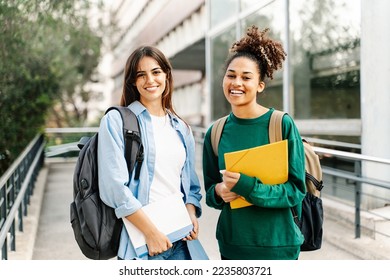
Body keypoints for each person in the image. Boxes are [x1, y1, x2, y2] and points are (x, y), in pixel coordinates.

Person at [202, 26, 306, 260]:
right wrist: (218, 191)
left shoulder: (281, 124)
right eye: (231, 75)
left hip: (278, 246)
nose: (236, 82)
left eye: (246, 77)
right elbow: (210, 191)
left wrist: (248, 187)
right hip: (232, 247)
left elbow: (296, 191)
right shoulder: (215, 132)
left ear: (260, 85)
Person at [97, 45, 203, 260]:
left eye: (156, 72)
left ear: (166, 75)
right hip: (143, 244)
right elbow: (114, 187)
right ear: (133, 82)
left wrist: (190, 212)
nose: (150, 80)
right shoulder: (117, 121)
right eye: (141, 75)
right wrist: (151, 233)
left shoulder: (182, 128)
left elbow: (190, 185)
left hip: (182, 240)